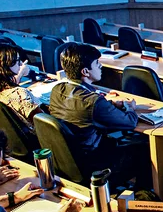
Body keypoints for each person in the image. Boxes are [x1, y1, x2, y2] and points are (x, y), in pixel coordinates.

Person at [48, 42, 150, 188]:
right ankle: (144, 195)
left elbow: (83, 110)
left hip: (67, 160)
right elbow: (130, 122)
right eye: (97, 63)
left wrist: (110, 105)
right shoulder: (94, 102)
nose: (101, 66)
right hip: (94, 163)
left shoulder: (57, 90)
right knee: (144, 149)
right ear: (85, 72)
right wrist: (130, 107)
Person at [0, 43, 42, 130]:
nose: (21, 64)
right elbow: (42, 123)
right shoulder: (20, 94)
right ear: (5, 65)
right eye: (17, 61)